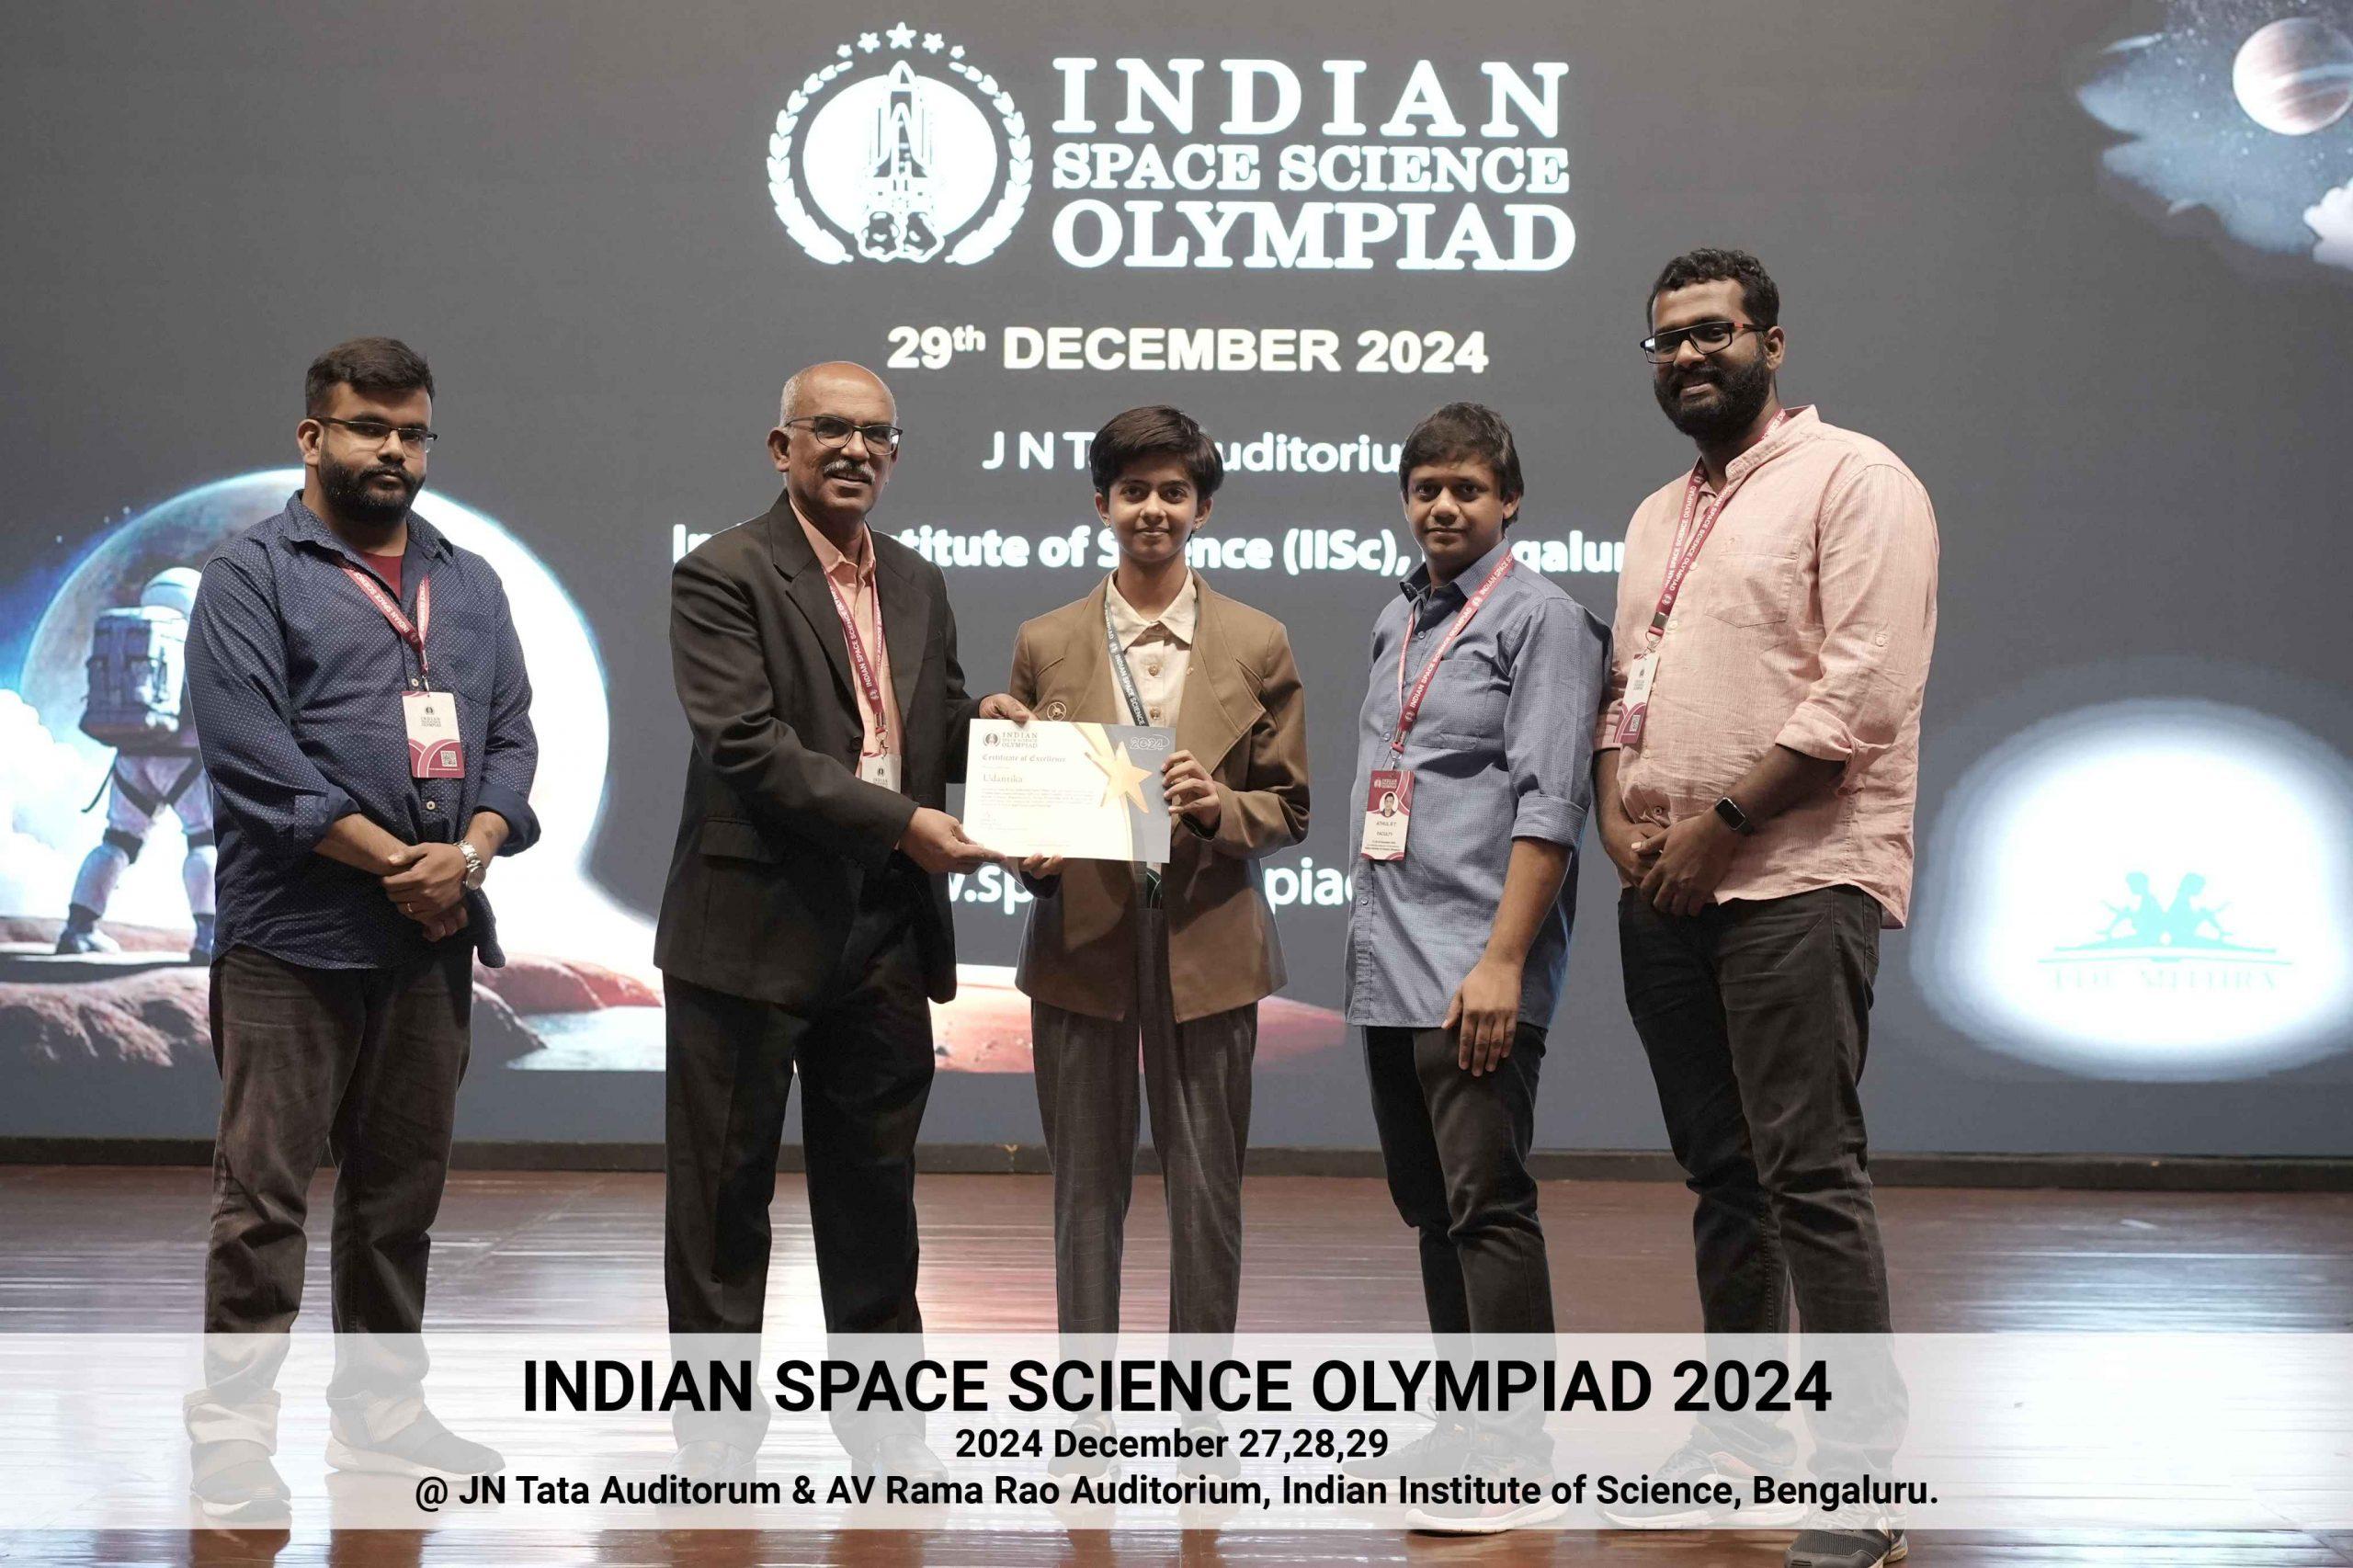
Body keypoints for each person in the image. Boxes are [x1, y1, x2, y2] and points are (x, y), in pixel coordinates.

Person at [1593, 248, 1938, 1568]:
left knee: (1810, 1176)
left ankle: (1859, 1483)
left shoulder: (1856, 479)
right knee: (1723, 1177)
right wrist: (1620, 812)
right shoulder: (1654, 514)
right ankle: (1738, 1438)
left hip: (1795, 875)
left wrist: (1722, 824)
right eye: (1667, 340)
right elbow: (1629, 686)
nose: (1688, 355)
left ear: (1771, 344)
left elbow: (1864, 690)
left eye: (1713, 332)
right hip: (1665, 886)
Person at [181, 336, 539, 1518]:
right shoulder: (249, 575)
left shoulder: (468, 581)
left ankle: (382, 1417)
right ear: (312, 436)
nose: (393, 449)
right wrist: (400, 863)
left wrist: (468, 852)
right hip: (291, 941)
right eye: (368, 427)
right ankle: (233, 1437)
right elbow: (255, 759)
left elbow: (511, 739)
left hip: (429, 942)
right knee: (262, 1202)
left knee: (397, 1201)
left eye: (412, 432)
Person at [655, 360, 1029, 1484]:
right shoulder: (721, 571)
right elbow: (748, 744)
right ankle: (715, 1439)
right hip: (748, 928)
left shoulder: (916, 579)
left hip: (883, 933)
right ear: (782, 448)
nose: (856, 449)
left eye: (877, 434)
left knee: (875, 1191)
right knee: (722, 1197)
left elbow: (915, 722)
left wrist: (984, 725)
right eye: (830, 429)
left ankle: (883, 1427)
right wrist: (906, 820)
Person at [1006, 406, 1310, 1472]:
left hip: (1208, 936)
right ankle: (1085, 1413)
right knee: (1084, 1188)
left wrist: (1221, 807)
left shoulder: (1258, 639)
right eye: (1133, 490)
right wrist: (1029, 852)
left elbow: (1290, 806)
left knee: (1205, 1189)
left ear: (1202, 508)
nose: (1153, 509)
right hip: (1081, 937)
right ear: (1101, 503)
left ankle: (1201, 1413)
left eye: (1173, 491)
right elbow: (1028, 814)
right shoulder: (1045, 640)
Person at [1338, 403, 1610, 1532]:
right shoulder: (1397, 618)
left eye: (1465, 488)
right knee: (1430, 1205)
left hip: (1472, 967)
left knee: (1486, 1203)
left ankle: (1511, 1447)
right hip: (1387, 962)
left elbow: (1551, 805)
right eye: (1425, 489)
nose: (1443, 506)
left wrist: (1503, 964)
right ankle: (1465, 1422)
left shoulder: (1543, 619)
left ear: (1509, 501)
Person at [56, 566, 217, 961]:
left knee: (118, 841)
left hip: (130, 756)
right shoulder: (193, 642)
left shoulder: (127, 640)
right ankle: (208, 938)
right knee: (203, 840)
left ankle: (78, 930)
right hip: (184, 762)